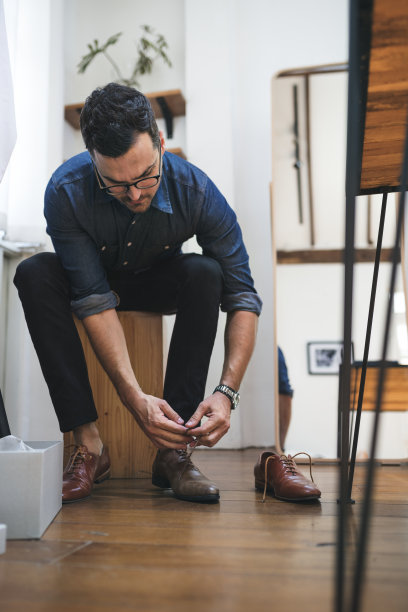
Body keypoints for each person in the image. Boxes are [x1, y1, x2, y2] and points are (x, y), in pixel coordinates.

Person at [14, 82, 262, 504]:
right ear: (93, 159)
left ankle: (174, 453)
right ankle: (90, 446)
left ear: (161, 144)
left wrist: (227, 392)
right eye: (116, 183)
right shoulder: (65, 190)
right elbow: (93, 298)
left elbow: (243, 297)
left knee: (205, 271)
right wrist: (134, 400)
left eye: (145, 176)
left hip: (157, 282)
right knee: (33, 272)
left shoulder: (197, 191)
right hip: (91, 283)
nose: (134, 193)